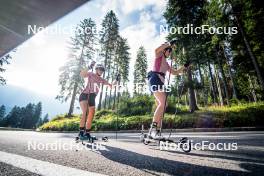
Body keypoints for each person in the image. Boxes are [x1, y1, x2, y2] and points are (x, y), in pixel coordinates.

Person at [147, 42, 188, 139]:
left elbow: (175, 72)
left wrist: (184, 67)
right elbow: (156, 50)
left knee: (162, 106)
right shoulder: (159, 55)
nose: (170, 53)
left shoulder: (166, 64)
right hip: (154, 79)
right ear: (164, 50)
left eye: (170, 51)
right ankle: (153, 130)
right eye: (169, 51)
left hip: (159, 83)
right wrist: (169, 44)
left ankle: (155, 132)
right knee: (163, 103)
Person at [78, 64, 115, 139]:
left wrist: (116, 79)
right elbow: (82, 74)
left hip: (92, 97)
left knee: (91, 114)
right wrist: (89, 66)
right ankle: (81, 132)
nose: (101, 71)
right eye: (100, 69)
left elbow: (111, 85)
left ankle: (87, 133)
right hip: (85, 95)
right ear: (96, 69)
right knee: (85, 112)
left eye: (102, 70)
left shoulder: (101, 79)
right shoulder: (91, 74)